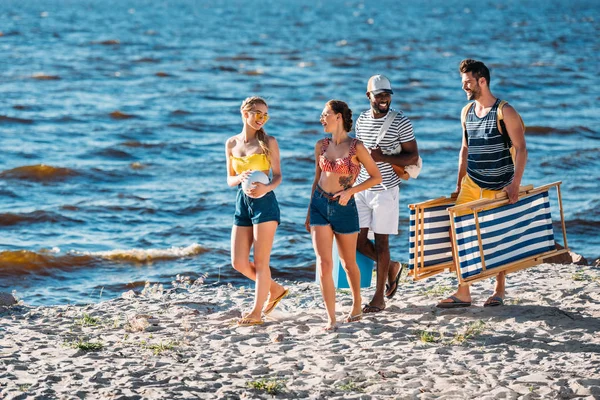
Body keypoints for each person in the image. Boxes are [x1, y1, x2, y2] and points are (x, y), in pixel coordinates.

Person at [437, 59, 527, 308]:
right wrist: (458, 184)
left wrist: (515, 184)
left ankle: (499, 290)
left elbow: (521, 149)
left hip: (500, 182)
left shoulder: (504, 111)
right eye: (463, 83)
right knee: (455, 230)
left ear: (482, 81)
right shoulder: (466, 112)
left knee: (496, 235)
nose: (464, 87)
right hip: (472, 182)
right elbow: (464, 149)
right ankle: (463, 291)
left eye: (468, 83)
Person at [305, 100, 382, 331]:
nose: (322, 118)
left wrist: (351, 191)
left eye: (325, 114)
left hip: (344, 207)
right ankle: (331, 317)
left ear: (338, 117)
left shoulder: (356, 147)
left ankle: (357, 304)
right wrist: (310, 209)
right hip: (320, 204)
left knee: (348, 263)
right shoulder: (321, 145)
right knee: (324, 263)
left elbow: (375, 177)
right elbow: (316, 177)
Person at [354, 75, 419, 314]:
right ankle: (391, 266)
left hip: (385, 190)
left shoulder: (401, 122)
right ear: (368, 96)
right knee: (356, 241)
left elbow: (412, 157)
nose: (384, 99)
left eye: (387, 95)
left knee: (382, 242)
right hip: (361, 189)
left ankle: (379, 297)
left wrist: (383, 158)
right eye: (379, 95)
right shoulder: (360, 120)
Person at [226, 96, 288, 326]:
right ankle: (275, 289)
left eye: (265, 115)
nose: (262, 119)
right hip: (242, 202)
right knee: (238, 262)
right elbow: (229, 179)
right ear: (245, 114)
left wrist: (267, 187)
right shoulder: (231, 143)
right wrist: (238, 177)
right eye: (258, 114)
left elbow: (279, 175)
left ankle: (256, 312)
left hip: (265, 202)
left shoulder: (269, 141)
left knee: (261, 261)